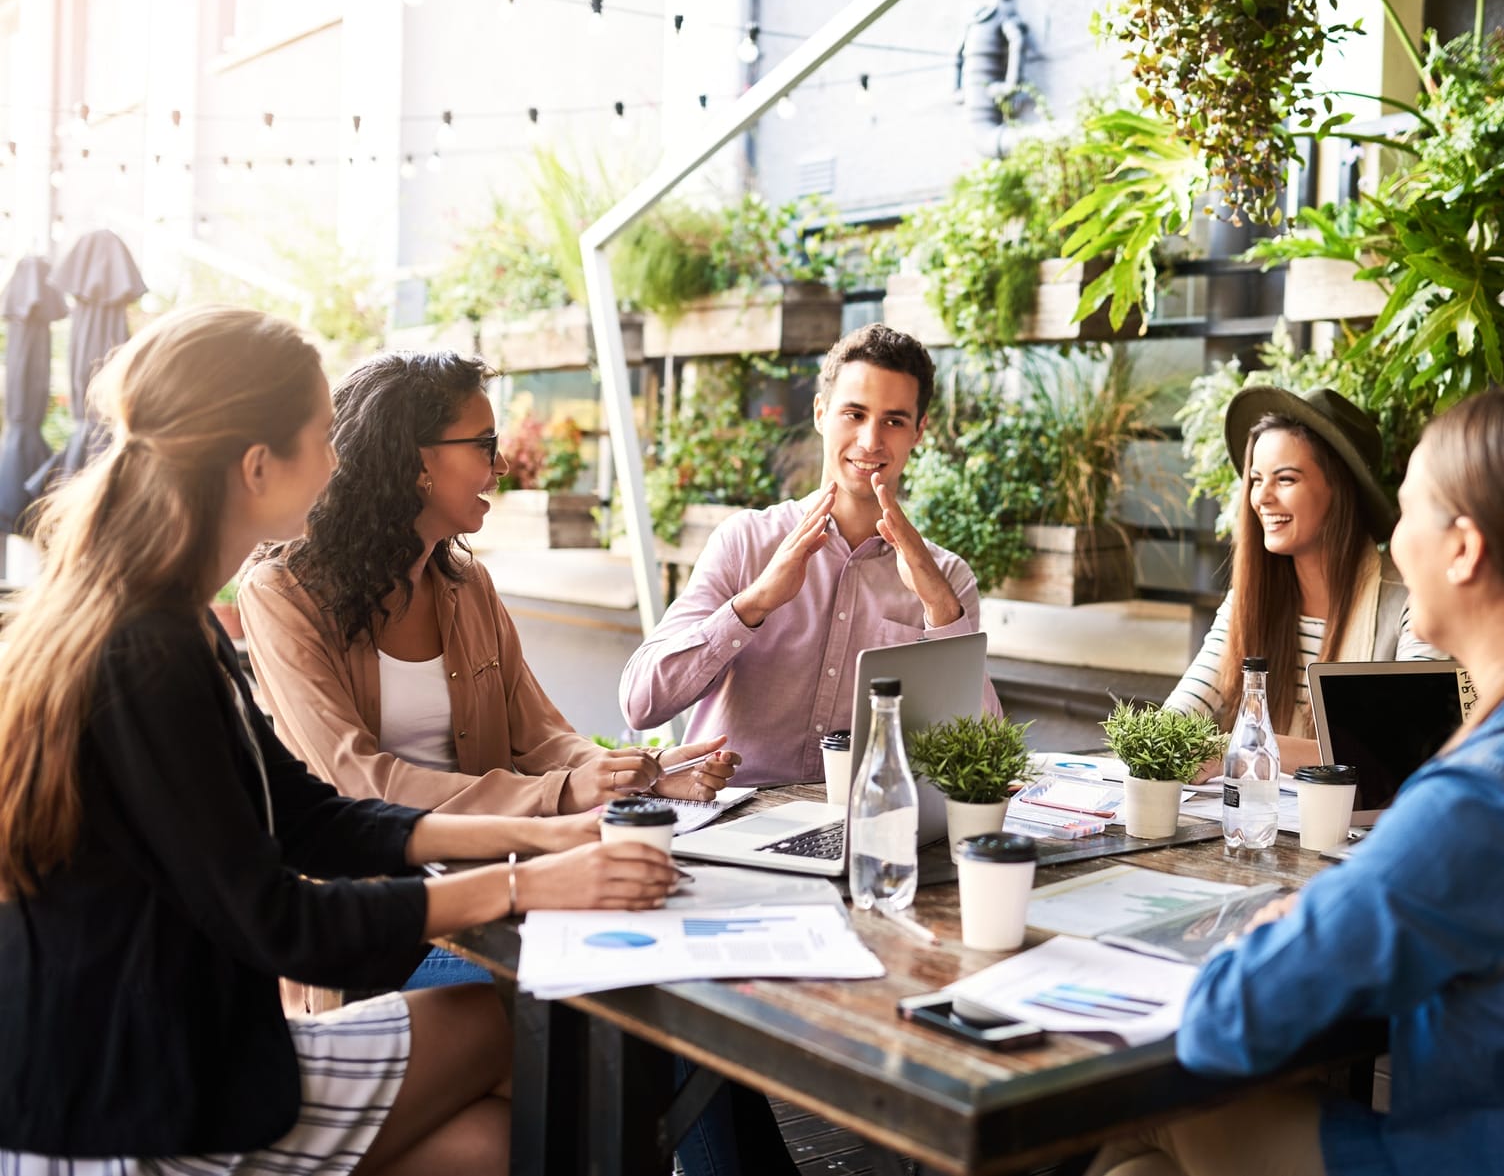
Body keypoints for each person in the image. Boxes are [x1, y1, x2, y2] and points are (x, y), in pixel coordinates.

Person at [0, 307, 680, 1175]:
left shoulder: (174, 624)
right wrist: (526, 878)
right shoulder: (147, 653)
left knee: (507, 1136)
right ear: (256, 467)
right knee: (528, 1046)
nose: (340, 458)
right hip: (128, 1110)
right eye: (324, 436)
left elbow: (313, 812)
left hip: (167, 1055)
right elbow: (280, 919)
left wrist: (543, 833)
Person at [1092, 388, 1504, 1176]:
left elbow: (1232, 1016)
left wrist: (1275, 922)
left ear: (1464, 548)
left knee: (1165, 1116)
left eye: (1405, 516)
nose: (1394, 546)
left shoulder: (1489, 794)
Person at [240, 350, 735, 821]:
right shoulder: (282, 595)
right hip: (371, 886)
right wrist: (561, 792)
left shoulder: (467, 585)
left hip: (490, 861)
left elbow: (540, 738)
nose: (500, 467)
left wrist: (643, 773)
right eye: (485, 444)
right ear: (415, 462)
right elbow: (355, 779)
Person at [621, 323, 997, 786]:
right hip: (736, 823)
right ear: (821, 413)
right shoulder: (745, 542)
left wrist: (941, 612)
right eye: (854, 414)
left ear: (919, 431)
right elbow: (642, 703)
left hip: (869, 826)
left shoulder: (948, 579)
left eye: (894, 421)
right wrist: (753, 604)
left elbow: (986, 755)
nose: (870, 441)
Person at [1164, 386, 1443, 772]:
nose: (1262, 497)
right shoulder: (1248, 599)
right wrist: (1152, 743)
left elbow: (1403, 750)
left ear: (1340, 489)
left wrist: (1244, 750)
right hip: (1257, 826)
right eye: (1256, 479)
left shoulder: (1411, 600)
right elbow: (1182, 711)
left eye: (1286, 479)